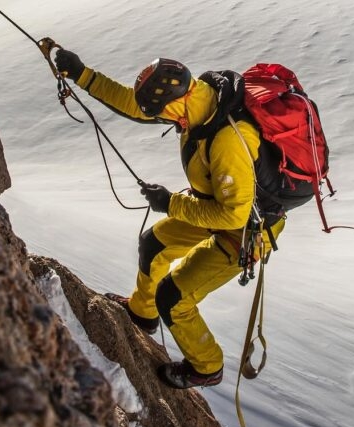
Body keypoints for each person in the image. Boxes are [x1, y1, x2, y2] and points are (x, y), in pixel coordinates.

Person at [54, 49, 285, 390]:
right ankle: (142, 314)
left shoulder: (227, 141)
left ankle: (207, 367)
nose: (160, 119)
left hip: (247, 231)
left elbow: (232, 213)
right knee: (153, 244)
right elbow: (136, 106)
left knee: (174, 298)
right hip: (211, 205)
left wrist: (170, 203)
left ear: (175, 102)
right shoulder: (195, 99)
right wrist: (81, 74)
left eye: (161, 113)